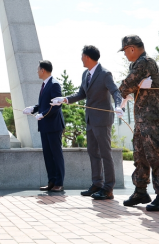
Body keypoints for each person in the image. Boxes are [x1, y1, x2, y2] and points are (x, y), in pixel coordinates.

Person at [51, 45, 122, 200]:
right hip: (90, 119)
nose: (81, 59)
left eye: (82, 56)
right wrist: (64, 99)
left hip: (102, 120)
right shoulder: (85, 74)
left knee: (105, 153)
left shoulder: (104, 74)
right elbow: (81, 94)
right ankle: (97, 183)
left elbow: (115, 91)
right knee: (93, 152)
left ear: (88, 57)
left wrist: (118, 106)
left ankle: (108, 188)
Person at [117, 35, 159, 211]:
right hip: (142, 117)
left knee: (155, 156)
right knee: (140, 156)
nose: (125, 55)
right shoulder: (136, 64)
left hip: (153, 117)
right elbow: (129, 87)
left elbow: (126, 86)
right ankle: (140, 191)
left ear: (131, 48)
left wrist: (127, 87)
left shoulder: (145, 62)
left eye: (125, 51)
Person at [23, 60, 65, 192]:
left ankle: (59, 182)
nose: (36, 71)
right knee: (47, 155)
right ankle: (51, 181)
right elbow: (45, 105)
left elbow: (56, 106)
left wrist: (43, 114)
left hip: (53, 125)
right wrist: (34, 109)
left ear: (43, 70)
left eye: (38, 69)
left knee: (56, 155)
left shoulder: (54, 84)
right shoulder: (45, 84)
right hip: (45, 125)